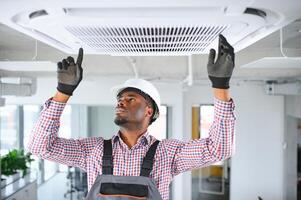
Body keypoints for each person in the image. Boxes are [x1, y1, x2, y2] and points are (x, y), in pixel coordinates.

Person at [27, 34, 236, 200]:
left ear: (149, 110)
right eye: (120, 98)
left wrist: (220, 86)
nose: (121, 101)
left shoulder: (167, 153)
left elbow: (219, 148)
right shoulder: (92, 150)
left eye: (131, 98)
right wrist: (63, 92)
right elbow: (39, 147)